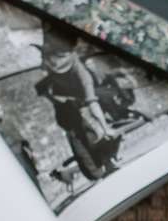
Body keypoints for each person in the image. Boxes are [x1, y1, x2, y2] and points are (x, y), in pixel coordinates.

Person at [35, 27, 121, 181]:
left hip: (83, 105)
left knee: (93, 133)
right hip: (65, 109)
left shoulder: (83, 75)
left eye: (58, 59)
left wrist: (104, 127)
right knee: (82, 146)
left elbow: (92, 104)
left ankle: (107, 160)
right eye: (52, 59)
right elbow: (45, 81)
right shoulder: (49, 54)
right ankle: (100, 165)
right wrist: (54, 98)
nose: (54, 63)